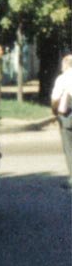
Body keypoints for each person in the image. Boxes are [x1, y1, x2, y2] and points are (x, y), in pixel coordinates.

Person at [50, 54, 72, 186]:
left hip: (68, 116)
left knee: (69, 148)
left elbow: (55, 99)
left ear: (65, 65)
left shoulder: (62, 79)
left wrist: (54, 111)